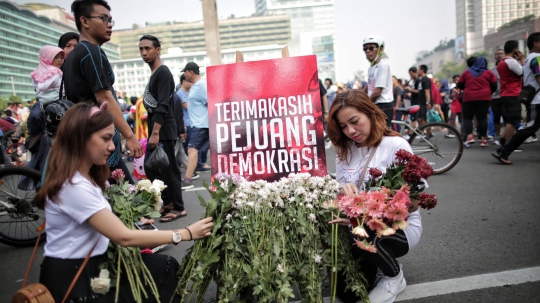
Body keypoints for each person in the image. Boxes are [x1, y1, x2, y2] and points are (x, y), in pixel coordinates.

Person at [35, 102, 213, 301]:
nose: (112, 147)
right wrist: (186, 233)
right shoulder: (74, 186)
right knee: (158, 277)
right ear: (80, 137)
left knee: (164, 266)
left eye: (113, 138)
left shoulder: (85, 178)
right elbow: (124, 237)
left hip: (91, 266)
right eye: (106, 138)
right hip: (75, 279)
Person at [326, 89, 422, 303]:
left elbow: (414, 202)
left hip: (399, 228)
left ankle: (394, 277)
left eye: (354, 121)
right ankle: (376, 262)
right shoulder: (345, 149)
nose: (350, 131)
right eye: (343, 126)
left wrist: (367, 213)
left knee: (359, 230)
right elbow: (341, 191)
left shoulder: (396, 145)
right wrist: (344, 191)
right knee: (347, 294)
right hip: (357, 228)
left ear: (369, 113)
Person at [63, 0, 142, 184]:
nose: (109, 25)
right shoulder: (91, 51)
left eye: (110, 20)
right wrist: (130, 137)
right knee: (126, 200)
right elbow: (104, 96)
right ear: (85, 21)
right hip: (99, 142)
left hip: (86, 140)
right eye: (103, 18)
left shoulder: (74, 54)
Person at [139, 35, 187, 222]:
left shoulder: (163, 73)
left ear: (158, 50)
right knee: (152, 168)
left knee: (169, 169)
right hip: (157, 129)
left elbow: (163, 105)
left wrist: (156, 132)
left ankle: (178, 207)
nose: (144, 52)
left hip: (164, 129)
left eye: (148, 48)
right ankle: (167, 203)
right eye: (141, 49)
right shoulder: (155, 74)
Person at [493, 32, 540, 164]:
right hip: (536, 99)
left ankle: (504, 148)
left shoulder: (526, 60)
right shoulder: (536, 58)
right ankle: (504, 151)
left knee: (526, 125)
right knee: (527, 127)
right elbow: (538, 77)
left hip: (527, 96)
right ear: (536, 43)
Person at [457, 57, 497, 147]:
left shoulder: (467, 72)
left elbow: (459, 84)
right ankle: (483, 140)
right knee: (482, 118)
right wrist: (488, 92)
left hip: (468, 98)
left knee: (467, 118)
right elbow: (494, 85)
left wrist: (467, 87)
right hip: (484, 97)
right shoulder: (489, 72)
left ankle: (470, 137)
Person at [182, 62, 209, 189]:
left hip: (201, 125)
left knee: (192, 150)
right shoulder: (196, 86)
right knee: (192, 149)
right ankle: (188, 177)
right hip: (196, 124)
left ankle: (187, 179)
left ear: (190, 72)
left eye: (185, 72)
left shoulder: (201, 85)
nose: (184, 75)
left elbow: (210, 102)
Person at [363, 35, 394, 128]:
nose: (368, 51)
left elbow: (377, 92)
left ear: (380, 49)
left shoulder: (383, 66)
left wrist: (364, 103)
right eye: (365, 48)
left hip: (383, 106)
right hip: (374, 104)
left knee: (382, 137)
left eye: (371, 48)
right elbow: (370, 87)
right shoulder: (371, 68)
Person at [497, 41, 524, 146]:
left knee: (510, 120)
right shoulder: (511, 62)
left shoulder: (501, 63)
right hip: (513, 93)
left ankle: (503, 140)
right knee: (513, 121)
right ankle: (508, 146)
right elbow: (523, 72)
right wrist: (521, 59)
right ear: (515, 50)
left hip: (505, 93)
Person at [491, 49, 505, 144]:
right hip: (495, 96)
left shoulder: (510, 65)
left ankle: (507, 136)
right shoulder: (491, 70)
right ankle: (497, 135)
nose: (499, 55)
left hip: (506, 95)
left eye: (501, 53)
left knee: (507, 117)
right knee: (496, 117)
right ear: (495, 56)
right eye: (497, 54)